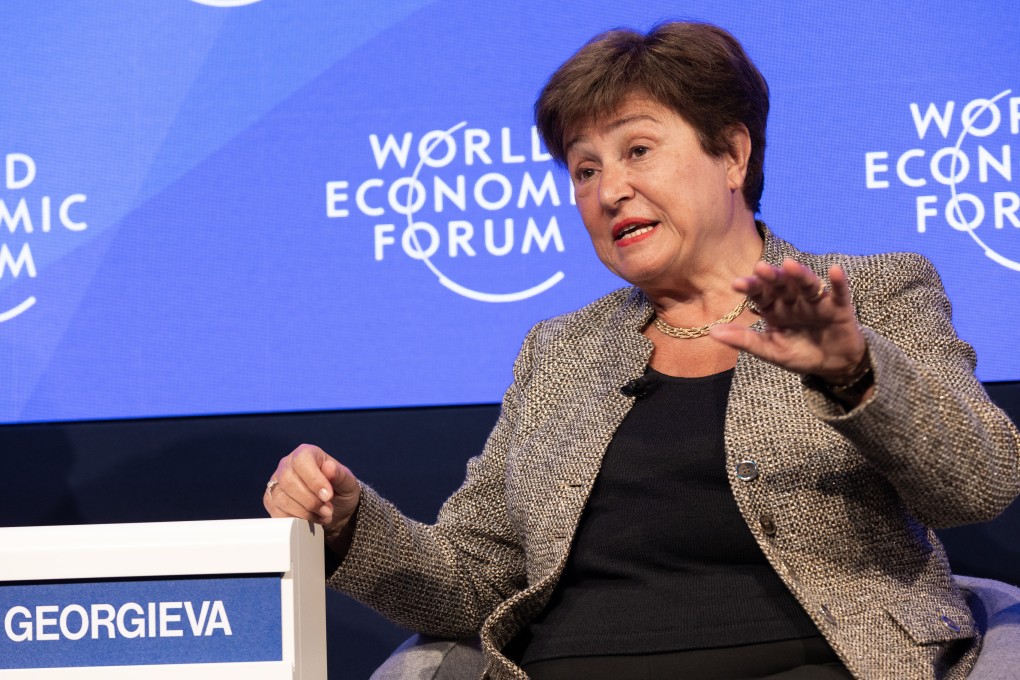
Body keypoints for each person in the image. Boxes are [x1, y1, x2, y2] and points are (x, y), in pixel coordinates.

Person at [263, 21, 1020, 680]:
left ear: (731, 154)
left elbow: (978, 485)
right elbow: (476, 581)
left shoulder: (874, 294)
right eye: (585, 168)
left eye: (639, 151)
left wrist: (853, 370)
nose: (609, 190)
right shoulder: (560, 350)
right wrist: (351, 523)